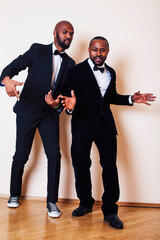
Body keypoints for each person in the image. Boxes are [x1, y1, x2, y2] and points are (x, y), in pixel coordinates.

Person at [45, 36, 156, 228]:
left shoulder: (111, 72)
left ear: (107, 51)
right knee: (81, 165)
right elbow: (66, 99)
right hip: (82, 125)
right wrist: (69, 107)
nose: (98, 53)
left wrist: (131, 98)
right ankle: (85, 202)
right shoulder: (75, 71)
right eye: (95, 49)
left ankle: (111, 211)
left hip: (105, 125)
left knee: (110, 167)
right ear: (89, 50)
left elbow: (109, 97)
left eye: (102, 50)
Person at [0, 20, 75, 218]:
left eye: (71, 34)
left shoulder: (71, 64)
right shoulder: (37, 50)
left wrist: (56, 105)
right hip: (27, 110)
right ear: (55, 33)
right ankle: (14, 194)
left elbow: (64, 102)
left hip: (49, 115)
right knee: (21, 156)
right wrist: (6, 80)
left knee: (55, 156)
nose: (68, 36)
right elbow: (11, 67)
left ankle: (52, 202)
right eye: (65, 32)